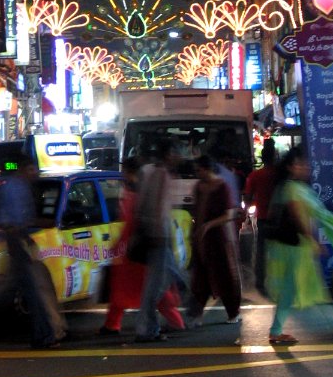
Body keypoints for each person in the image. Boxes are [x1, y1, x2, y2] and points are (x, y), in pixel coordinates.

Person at [0, 152, 65, 349]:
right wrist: (28, 235)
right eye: (32, 169)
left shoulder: (13, 187)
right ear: (23, 169)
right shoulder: (16, 189)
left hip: (16, 242)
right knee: (32, 292)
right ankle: (43, 336)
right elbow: (16, 222)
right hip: (16, 243)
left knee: (2, 290)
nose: (35, 173)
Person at [265, 146, 333, 346]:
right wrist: (313, 240)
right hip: (293, 245)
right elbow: (298, 216)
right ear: (291, 167)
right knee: (300, 285)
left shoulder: (295, 187)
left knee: (296, 286)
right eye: (300, 164)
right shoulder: (292, 188)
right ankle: (329, 324)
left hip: (293, 245)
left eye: (306, 164)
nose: (305, 168)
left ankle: (278, 330)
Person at [100, 157, 185, 336]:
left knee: (149, 289)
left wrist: (119, 244)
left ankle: (118, 324)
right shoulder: (138, 189)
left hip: (138, 248)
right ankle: (113, 323)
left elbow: (132, 221)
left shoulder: (137, 192)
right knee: (145, 289)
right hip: (138, 247)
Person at [133, 138, 181, 342]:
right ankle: (146, 329)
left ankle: (188, 310)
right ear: (169, 154)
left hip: (158, 234)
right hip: (158, 235)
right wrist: (157, 233)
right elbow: (154, 206)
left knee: (171, 275)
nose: (180, 156)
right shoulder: (160, 174)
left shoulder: (151, 172)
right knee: (155, 285)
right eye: (177, 152)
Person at [188, 154, 242, 325]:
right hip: (201, 237)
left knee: (224, 275)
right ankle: (196, 314)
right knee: (200, 277)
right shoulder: (198, 187)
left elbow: (228, 215)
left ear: (208, 169)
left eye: (199, 170)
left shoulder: (222, 186)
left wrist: (208, 225)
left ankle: (233, 313)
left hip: (218, 238)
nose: (197, 173)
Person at [243, 138, 278, 294]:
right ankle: (279, 279)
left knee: (261, 250)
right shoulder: (279, 175)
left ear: (262, 159)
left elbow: (248, 196)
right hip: (279, 217)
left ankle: (260, 282)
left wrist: (247, 215)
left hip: (263, 217)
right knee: (279, 250)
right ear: (275, 157)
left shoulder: (255, 175)